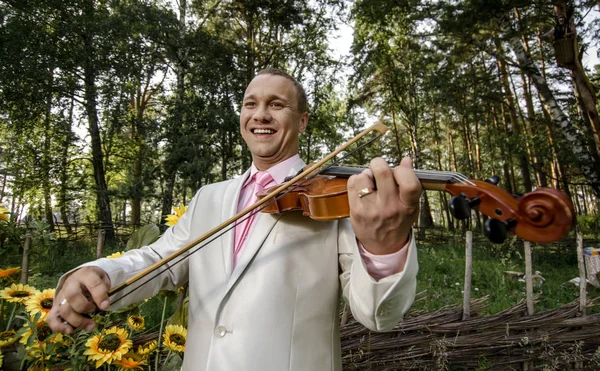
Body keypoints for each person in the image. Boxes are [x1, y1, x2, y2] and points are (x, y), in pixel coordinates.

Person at [48, 67, 421, 371]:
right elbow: (158, 262)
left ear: (303, 121)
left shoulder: (339, 198)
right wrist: (101, 274)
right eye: (250, 104)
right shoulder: (208, 197)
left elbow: (378, 315)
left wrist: (384, 247)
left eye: (277, 105)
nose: (260, 114)